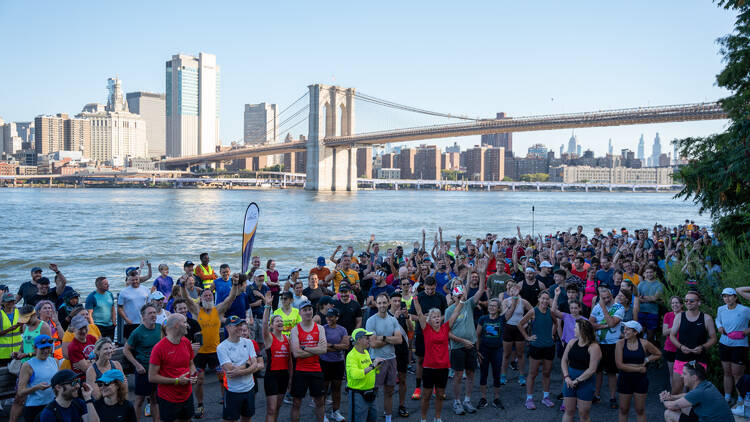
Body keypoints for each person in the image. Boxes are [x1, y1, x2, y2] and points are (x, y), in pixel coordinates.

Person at [177, 277, 239, 418]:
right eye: (205, 295)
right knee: (199, 380)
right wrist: (182, 284)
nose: (207, 297)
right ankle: (200, 405)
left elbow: (231, 298)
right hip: (200, 352)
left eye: (210, 295)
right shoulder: (197, 310)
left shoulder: (218, 310)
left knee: (222, 377)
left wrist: (235, 283)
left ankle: (225, 400)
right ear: (201, 298)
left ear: (213, 297)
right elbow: (186, 297)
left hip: (216, 351)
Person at [412, 286, 465, 422]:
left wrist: (462, 300)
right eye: (433, 317)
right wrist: (415, 297)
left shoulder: (445, 328)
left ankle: (437, 418)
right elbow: (418, 312)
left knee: (440, 394)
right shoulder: (426, 329)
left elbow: (455, 312)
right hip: (429, 368)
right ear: (429, 319)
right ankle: (423, 419)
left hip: (443, 367)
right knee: (426, 395)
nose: (436, 318)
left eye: (438, 316)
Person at [445, 260, 487, 415]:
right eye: (457, 294)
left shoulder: (469, 303)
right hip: (458, 347)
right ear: (453, 295)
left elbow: (481, 289)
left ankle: (467, 400)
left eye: (461, 294)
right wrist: (463, 341)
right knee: (457, 375)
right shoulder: (449, 311)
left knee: (471, 374)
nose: (460, 296)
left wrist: (481, 273)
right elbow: (446, 333)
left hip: (471, 346)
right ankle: (456, 402)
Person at [149, 314, 198, 422]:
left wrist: (193, 375)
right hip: (168, 398)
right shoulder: (159, 348)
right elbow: (152, 377)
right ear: (176, 325)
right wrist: (176, 381)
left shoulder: (185, 342)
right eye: (184, 322)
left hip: (187, 394)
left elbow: (191, 364)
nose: (187, 325)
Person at [217, 315, 264, 422]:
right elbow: (231, 371)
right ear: (228, 328)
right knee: (229, 420)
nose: (240, 327)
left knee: (247, 418)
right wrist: (248, 365)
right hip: (233, 392)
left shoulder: (248, 342)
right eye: (236, 325)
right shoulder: (221, 347)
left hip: (249, 389)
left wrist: (242, 369)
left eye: (240, 324)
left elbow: (255, 364)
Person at [366, 293, 404, 422]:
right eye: (379, 303)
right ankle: (372, 417)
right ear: (376, 304)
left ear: (388, 303)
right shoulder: (371, 321)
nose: (382, 305)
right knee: (373, 391)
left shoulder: (393, 320)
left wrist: (382, 337)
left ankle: (388, 418)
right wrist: (389, 339)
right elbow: (373, 344)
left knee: (390, 391)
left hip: (391, 359)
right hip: (376, 360)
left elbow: (399, 340)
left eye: (384, 302)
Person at [669, 291, 717, 394]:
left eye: (691, 301)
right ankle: (675, 409)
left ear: (699, 303)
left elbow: (713, 338)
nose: (688, 303)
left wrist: (703, 347)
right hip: (681, 357)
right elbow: (672, 335)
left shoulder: (706, 318)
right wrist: (681, 347)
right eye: (686, 301)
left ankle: (692, 411)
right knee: (676, 390)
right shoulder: (679, 317)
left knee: (696, 393)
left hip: (699, 359)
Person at [408, 277, 447, 400]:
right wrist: (423, 318)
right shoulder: (419, 296)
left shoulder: (440, 296)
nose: (430, 291)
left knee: (436, 361)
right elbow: (411, 315)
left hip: (436, 333)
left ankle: (436, 388)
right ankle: (418, 388)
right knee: (420, 360)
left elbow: (446, 313)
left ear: (435, 286)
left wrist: (437, 319)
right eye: (428, 289)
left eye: (432, 289)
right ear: (424, 286)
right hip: (422, 333)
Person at [615, 320, 662, 422]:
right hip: (624, 379)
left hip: (640, 380)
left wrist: (647, 359)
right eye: (624, 329)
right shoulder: (620, 344)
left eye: (628, 329)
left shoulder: (644, 343)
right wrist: (639, 368)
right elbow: (619, 365)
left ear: (635, 332)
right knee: (623, 409)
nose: (624, 331)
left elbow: (658, 353)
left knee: (640, 410)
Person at [289, 300, 327, 422]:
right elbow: (296, 353)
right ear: (300, 312)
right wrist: (316, 349)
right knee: (296, 402)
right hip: (301, 370)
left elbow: (324, 349)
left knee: (320, 401)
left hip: (316, 369)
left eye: (309, 309)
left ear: (313, 310)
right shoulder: (295, 330)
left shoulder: (320, 328)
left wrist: (305, 348)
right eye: (304, 310)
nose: (307, 312)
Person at [123, 303, 162, 422]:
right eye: (150, 313)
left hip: (157, 369)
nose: (153, 315)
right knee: (139, 400)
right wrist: (137, 365)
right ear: (143, 316)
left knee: (155, 399)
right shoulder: (137, 332)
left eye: (154, 313)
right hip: (143, 369)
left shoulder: (160, 328)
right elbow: (126, 350)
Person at [518, 290, 557, 409]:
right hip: (536, 347)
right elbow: (520, 324)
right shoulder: (533, 311)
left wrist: (552, 335)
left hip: (549, 346)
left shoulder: (551, 312)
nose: (545, 301)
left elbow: (556, 324)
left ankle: (546, 397)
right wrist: (527, 337)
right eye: (543, 298)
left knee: (546, 373)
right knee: (532, 373)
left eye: (547, 299)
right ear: (539, 299)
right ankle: (529, 399)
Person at [589, 285, 625, 408]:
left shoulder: (619, 307)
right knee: (597, 370)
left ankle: (612, 397)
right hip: (598, 344)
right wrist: (604, 326)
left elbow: (611, 323)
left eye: (608, 297)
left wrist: (603, 308)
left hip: (612, 344)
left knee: (611, 372)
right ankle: (597, 395)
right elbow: (591, 324)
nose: (606, 300)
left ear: (612, 296)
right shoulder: (596, 307)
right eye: (603, 298)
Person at [661, 361, 733, 422]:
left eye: (684, 374)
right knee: (685, 407)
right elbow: (688, 395)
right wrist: (672, 397)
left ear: (694, 377)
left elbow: (671, 406)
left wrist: (664, 399)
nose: (681, 376)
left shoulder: (699, 392)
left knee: (668, 413)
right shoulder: (706, 385)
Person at [715, 287, 750, 405]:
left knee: (737, 374)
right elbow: (717, 320)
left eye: (730, 296)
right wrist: (719, 327)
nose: (727, 298)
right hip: (724, 343)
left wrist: (747, 330)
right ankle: (727, 398)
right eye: (724, 296)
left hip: (740, 345)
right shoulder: (720, 309)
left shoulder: (745, 310)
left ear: (735, 297)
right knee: (727, 372)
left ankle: (741, 400)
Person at [561, 319, 601, 422]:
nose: (573, 329)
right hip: (569, 380)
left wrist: (577, 381)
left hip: (585, 382)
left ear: (582, 331)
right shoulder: (572, 342)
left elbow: (592, 369)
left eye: (575, 328)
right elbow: (564, 360)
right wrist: (566, 377)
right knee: (569, 411)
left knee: (583, 414)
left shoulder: (594, 347)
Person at [261, 292, 292, 422]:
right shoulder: (269, 338)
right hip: (272, 376)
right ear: (272, 325)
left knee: (278, 407)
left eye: (281, 320)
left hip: (284, 376)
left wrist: (291, 378)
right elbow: (263, 326)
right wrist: (268, 307)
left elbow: (289, 361)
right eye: (277, 321)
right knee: (271, 409)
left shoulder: (287, 339)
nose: (280, 322)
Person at [16, 334, 59, 422]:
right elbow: (20, 392)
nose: (46, 351)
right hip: (34, 407)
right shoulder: (28, 365)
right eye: (42, 348)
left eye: (48, 347)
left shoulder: (55, 361)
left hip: (52, 405)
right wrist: (36, 388)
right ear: (35, 348)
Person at [345, 328, 383, 422]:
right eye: (366, 338)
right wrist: (373, 365)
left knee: (372, 418)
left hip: (370, 392)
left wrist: (377, 367)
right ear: (359, 340)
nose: (369, 340)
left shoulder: (366, 352)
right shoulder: (351, 356)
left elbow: (370, 370)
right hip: (358, 395)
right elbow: (355, 374)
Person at [500, 283, 533, 386]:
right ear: (508, 291)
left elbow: (533, 312)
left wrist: (527, 323)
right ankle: (503, 376)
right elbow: (507, 317)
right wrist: (513, 301)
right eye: (510, 289)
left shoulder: (523, 302)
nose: (512, 291)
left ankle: (521, 376)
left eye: (514, 289)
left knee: (520, 355)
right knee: (506, 355)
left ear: (518, 290)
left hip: (519, 329)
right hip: (508, 328)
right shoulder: (505, 302)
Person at [475, 298, 504, 409]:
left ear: (498, 308)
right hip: (484, 350)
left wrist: (515, 298)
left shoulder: (502, 319)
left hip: (497, 350)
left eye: (494, 306)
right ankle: (483, 398)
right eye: (490, 305)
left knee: (497, 374)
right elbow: (477, 335)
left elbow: (510, 312)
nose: (491, 307)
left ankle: (496, 399)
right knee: (483, 374)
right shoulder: (483, 318)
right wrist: (477, 351)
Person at [321, 308, 349, 422]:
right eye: (327, 316)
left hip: (338, 363)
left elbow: (346, 346)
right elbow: (322, 346)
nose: (328, 318)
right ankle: (322, 414)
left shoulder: (342, 330)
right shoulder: (322, 328)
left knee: (336, 388)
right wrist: (337, 346)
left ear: (337, 318)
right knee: (324, 389)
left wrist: (331, 346)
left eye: (331, 316)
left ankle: (335, 412)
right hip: (325, 362)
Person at [388, 291, 412, 417]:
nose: (397, 303)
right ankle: (388, 408)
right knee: (390, 382)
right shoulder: (386, 315)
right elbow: (386, 332)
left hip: (402, 350)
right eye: (395, 301)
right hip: (390, 351)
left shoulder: (403, 313)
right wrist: (395, 319)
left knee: (403, 379)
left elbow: (411, 329)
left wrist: (407, 317)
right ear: (390, 302)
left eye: (399, 301)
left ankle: (402, 405)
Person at [118, 270, 151, 339]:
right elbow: (120, 308)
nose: (135, 281)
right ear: (129, 280)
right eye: (132, 280)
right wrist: (126, 319)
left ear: (139, 278)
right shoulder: (124, 292)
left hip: (143, 321)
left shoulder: (146, 289)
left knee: (143, 341)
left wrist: (148, 318)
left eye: (136, 279)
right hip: (130, 323)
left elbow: (149, 305)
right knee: (130, 344)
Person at [637, 265, 664, 342]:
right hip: (641, 311)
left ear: (654, 273)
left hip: (653, 312)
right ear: (645, 273)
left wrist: (643, 298)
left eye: (651, 272)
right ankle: (641, 352)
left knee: (650, 335)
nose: (649, 274)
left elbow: (655, 297)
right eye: (647, 272)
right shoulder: (641, 284)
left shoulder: (659, 285)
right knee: (640, 334)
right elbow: (637, 298)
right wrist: (651, 299)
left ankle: (650, 352)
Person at [662, 296, 683, 386]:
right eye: (673, 303)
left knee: (683, 375)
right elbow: (664, 332)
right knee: (673, 374)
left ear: (682, 304)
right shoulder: (668, 315)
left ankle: (683, 397)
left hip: (682, 348)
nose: (674, 305)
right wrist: (676, 325)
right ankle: (673, 395)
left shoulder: (686, 315)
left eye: (677, 302)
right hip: (670, 348)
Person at [0, 292, 22, 365]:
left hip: (17, 352)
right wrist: (10, 329)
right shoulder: (0, 314)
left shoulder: (19, 312)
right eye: (8, 301)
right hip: (2, 354)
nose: (11, 303)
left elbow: (21, 332)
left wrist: (22, 326)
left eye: (12, 301)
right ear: (3, 302)